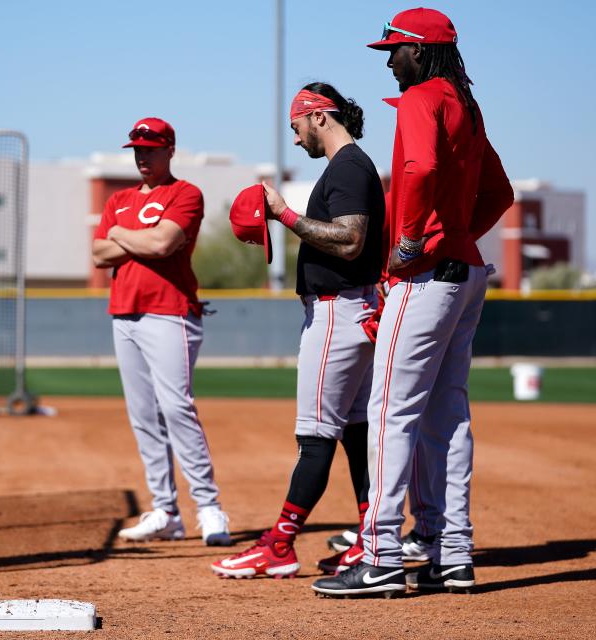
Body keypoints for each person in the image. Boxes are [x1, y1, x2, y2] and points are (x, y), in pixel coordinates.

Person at [312, 8, 513, 597]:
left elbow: (422, 165)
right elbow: (499, 192)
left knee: (388, 410)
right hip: (466, 272)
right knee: (446, 415)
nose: (390, 60)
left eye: (394, 50)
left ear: (420, 51)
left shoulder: (425, 96)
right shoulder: (467, 104)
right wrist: (454, 234)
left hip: (424, 275)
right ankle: (450, 551)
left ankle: (379, 556)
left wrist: (410, 241)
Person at [211, 83, 385, 578]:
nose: (295, 138)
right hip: (351, 309)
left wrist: (283, 213)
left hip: (337, 313)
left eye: (296, 127)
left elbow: (351, 241)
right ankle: (370, 535)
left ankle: (280, 544)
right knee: (354, 430)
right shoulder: (352, 166)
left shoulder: (348, 166)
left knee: (315, 434)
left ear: (319, 117)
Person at [92, 117, 232, 546]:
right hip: (125, 312)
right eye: (136, 148)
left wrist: (120, 233)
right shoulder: (119, 198)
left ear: (170, 150)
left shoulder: (186, 193)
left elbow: (163, 244)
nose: (141, 155)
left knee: (176, 408)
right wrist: (134, 235)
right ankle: (166, 511)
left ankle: (208, 507)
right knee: (144, 417)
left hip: (170, 311)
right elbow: (99, 255)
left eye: (150, 148)